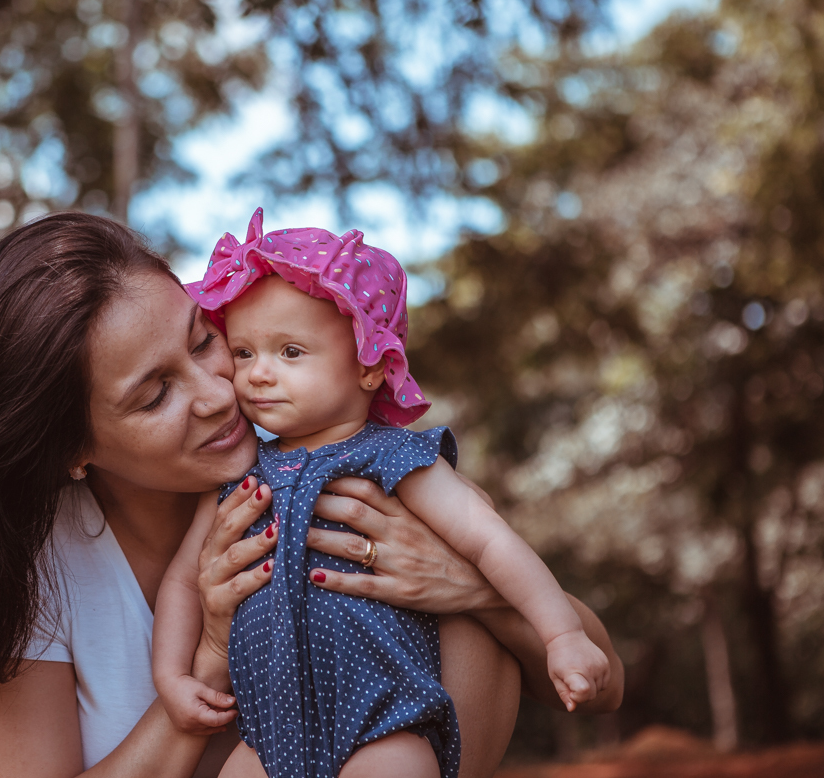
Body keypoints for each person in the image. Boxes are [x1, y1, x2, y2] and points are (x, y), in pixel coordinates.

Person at [0, 211, 623, 778]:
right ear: (71, 448)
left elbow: (604, 680)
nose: (218, 393)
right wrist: (204, 661)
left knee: (473, 619)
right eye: (155, 394)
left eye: (205, 341)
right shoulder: (19, 576)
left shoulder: (352, 478)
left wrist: (464, 588)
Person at [153, 211, 609, 778]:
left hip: (383, 724)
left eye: (290, 352)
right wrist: (172, 676)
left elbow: (490, 540)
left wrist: (562, 634)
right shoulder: (240, 474)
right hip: (266, 739)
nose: (257, 374)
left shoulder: (393, 458)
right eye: (243, 353)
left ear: (370, 366)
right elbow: (184, 580)